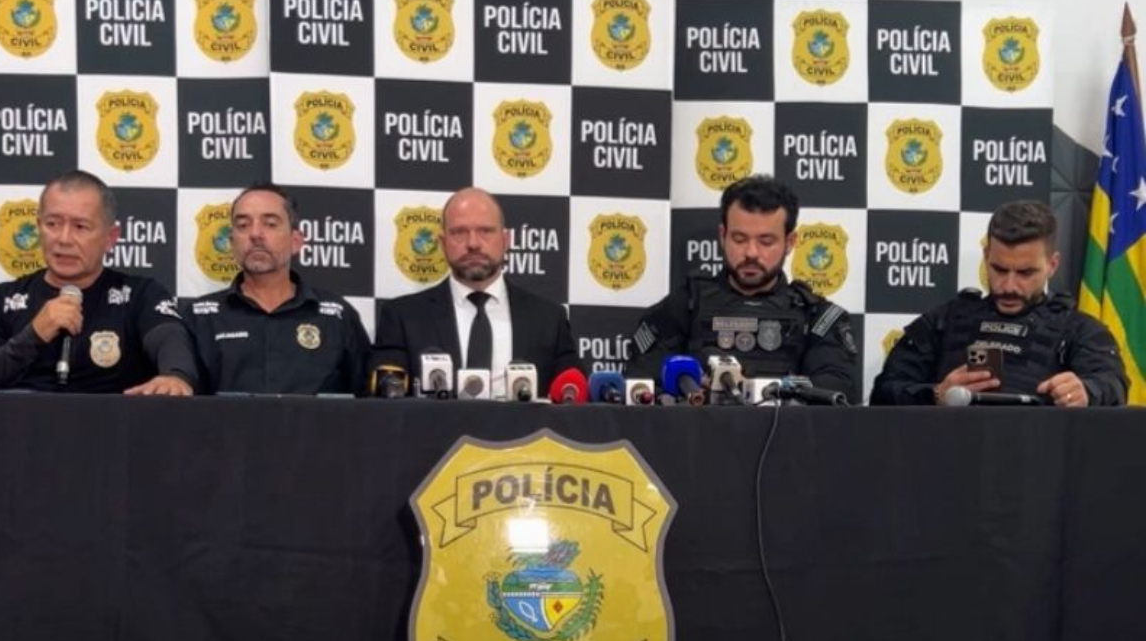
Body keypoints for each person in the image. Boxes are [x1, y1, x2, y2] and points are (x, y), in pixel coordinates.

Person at [0, 170, 197, 394]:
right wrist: (33, 335)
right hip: (21, 426)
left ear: (110, 237)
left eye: (80, 227)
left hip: (112, 426)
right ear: (39, 227)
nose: (64, 239)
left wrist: (177, 376)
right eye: (52, 224)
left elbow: (171, 340)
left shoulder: (142, 295)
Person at [870, 200, 1127, 407]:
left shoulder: (1079, 330)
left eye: (1025, 273)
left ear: (1052, 265)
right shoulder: (942, 322)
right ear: (986, 256)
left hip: (1038, 451)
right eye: (999, 269)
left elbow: (1114, 384)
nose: (1009, 286)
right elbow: (883, 393)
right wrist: (936, 394)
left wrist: (1086, 391)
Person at [625, 175, 858, 399]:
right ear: (723, 235)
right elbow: (640, 379)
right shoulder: (686, 304)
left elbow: (837, 388)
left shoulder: (817, 316)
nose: (751, 253)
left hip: (787, 428)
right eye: (739, 239)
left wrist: (770, 391)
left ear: (790, 242)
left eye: (766, 241)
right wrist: (690, 388)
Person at [371, 187, 578, 397]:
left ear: (506, 240)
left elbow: (573, 401)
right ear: (443, 243)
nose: (473, 243)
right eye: (459, 232)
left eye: (485, 231)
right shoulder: (402, 317)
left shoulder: (550, 320)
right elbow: (385, 405)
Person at [185, 182, 371, 395]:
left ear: (296, 241)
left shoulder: (337, 316)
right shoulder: (200, 318)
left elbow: (366, 403)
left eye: (270, 224)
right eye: (243, 225)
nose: (255, 234)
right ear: (232, 242)